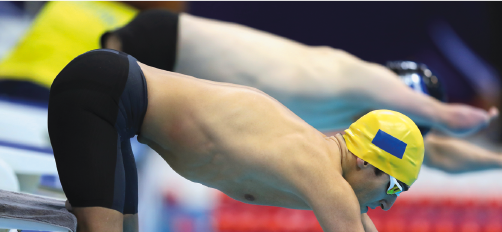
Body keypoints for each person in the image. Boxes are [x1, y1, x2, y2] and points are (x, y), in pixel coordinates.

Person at [48, 48, 424, 232]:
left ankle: (72, 197)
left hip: (121, 107)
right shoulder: (317, 168)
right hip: (103, 91)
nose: (389, 204)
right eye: (392, 187)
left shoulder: (323, 161)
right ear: (363, 162)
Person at [101, 9, 502, 174]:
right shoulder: (366, 80)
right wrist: (484, 117)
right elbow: (449, 119)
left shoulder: (363, 119)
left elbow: (442, 156)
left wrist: (496, 162)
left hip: (176, 63)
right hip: (170, 43)